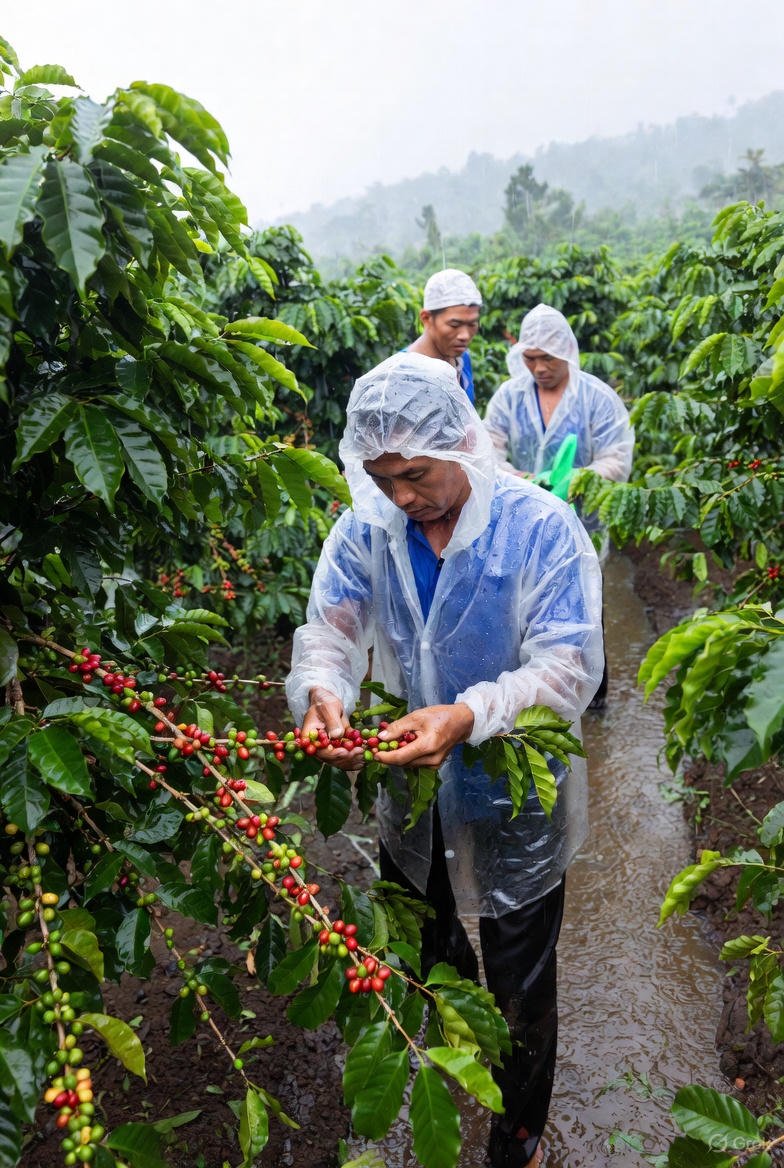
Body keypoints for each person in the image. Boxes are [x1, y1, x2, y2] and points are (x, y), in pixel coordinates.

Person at [285, 351, 604, 1168]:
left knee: (523, 980)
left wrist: (470, 715)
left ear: (463, 446)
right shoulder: (369, 526)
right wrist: (325, 695)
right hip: (412, 792)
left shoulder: (540, 528)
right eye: (384, 478)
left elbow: (567, 667)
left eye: (417, 475)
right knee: (426, 939)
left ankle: (517, 1138)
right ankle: (459, 1010)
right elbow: (329, 628)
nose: (402, 496)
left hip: (515, 799)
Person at [484, 303, 634, 708]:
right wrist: (521, 480)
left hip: (583, 521)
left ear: (566, 353)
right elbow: (489, 446)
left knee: (585, 602)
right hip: (523, 519)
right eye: (530, 359)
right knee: (526, 604)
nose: (539, 368)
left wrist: (579, 480)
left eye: (547, 358)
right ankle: (537, 691)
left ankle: (594, 692)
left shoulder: (596, 398)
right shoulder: (509, 397)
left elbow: (617, 455)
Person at [407, 267, 482, 402]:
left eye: (472, 324)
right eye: (454, 325)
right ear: (426, 318)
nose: (464, 335)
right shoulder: (404, 374)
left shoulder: (462, 359)